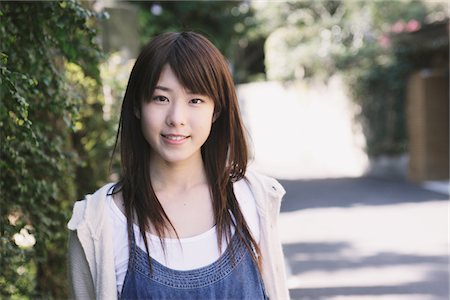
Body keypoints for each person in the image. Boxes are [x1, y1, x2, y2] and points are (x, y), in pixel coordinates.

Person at [67, 31, 289, 300]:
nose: (177, 118)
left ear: (215, 111)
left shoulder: (253, 199)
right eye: (161, 98)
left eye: (195, 100)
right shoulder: (98, 221)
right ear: (137, 105)